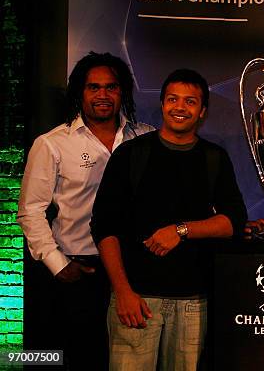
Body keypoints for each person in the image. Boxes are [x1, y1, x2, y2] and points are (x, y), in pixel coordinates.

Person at [90, 69, 247, 370]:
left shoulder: (214, 157)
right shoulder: (131, 155)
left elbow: (233, 221)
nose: (180, 107)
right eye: (173, 99)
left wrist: (181, 230)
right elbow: (104, 226)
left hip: (192, 303)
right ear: (162, 104)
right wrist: (122, 292)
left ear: (202, 112)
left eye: (190, 101)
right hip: (136, 299)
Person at [17, 52, 154, 369]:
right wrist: (57, 264)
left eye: (111, 87)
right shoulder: (52, 144)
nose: (103, 95)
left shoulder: (146, 138)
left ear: (123, 93)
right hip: (77, 273)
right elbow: (30, 211)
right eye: (94, 88)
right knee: (67, 360)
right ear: (80, 93)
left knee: (123, 361)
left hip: (132, 271)